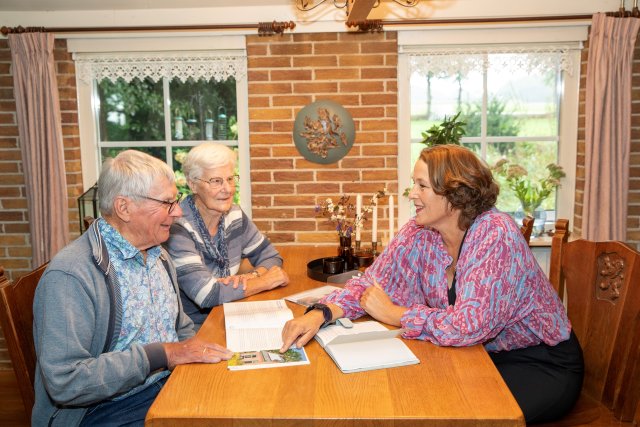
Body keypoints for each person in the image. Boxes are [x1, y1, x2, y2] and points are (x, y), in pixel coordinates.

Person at [281, 144, 584, 424]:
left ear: (456, 194)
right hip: (477, 355)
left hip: (540, 361)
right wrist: (321, 313)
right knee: (414, 398)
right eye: (414, 184)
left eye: (422, 186)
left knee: (449, 415)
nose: (412, 194)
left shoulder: (495, 234)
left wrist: (395, 314)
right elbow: (371, 283)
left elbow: (469, 326)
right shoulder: (419, 231)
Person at [32, 150, 234, 427]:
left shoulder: (158, 254)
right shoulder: (71, 275)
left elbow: (179, 326)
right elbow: (66, 382)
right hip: (101, 410)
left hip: (164, 385)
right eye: (167, 203)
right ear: (123, 208)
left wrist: (194, 350)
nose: (177, 212)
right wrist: (163, 355)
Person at [166, 142, 288, 327]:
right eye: (216, 181)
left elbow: (270, 256)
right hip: (198, 328)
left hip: (233, 312)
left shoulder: (234, 215)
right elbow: (207, 294)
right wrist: (265, 281)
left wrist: (253, 276)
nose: (228, 189)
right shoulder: (177, 228)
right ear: (193, 185)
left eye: (230, 179)